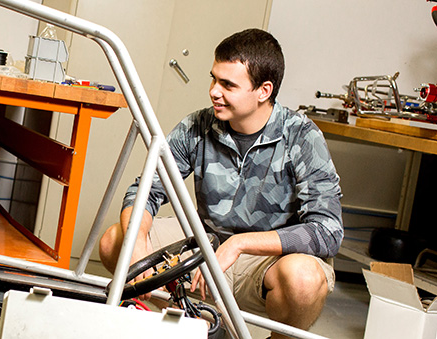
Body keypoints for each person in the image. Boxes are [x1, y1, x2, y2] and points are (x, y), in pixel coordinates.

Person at [99, 28, 343, 339]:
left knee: (304, 278)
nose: (214, 91)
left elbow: (328, 230)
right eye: (214, 79)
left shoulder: (302, 136)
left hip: (267, 264)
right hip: (205, 245)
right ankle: (191, 325)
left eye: (228, 84)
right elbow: (145, 190)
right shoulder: (196, 126)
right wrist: (139, 238)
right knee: (116, 240)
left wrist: (239, 244)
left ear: (263, 91)